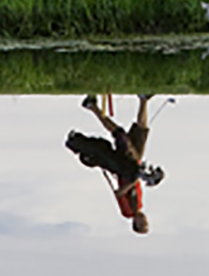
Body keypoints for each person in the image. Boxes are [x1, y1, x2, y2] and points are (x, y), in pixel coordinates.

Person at [66, 94, 163, 234]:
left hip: (124, 165)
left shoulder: (128, 212)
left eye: (142, 223)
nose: (144, 220)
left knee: (119, 133)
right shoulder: (140, 205)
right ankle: (143, 99)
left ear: (135, 223)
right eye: (146, 222)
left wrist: (135, 179)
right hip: (135, 161)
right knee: (142, 130)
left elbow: (119, 193)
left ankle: (92, 107)